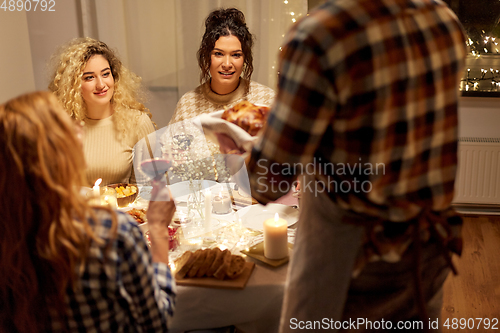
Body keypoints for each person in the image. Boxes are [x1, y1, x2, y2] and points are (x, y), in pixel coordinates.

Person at [218, 0, 467, 331]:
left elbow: (267, 182)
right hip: (427, 251)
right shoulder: (443, 20)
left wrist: (238, 149)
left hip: (350, 263)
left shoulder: (320, 36)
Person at [0, 91, 176, 332]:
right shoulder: (110, 232)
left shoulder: (9, 237)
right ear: (59, 153)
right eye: (67, 126)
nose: (79, 129)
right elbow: (156, 321)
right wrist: (157, 231)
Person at [49, 37, 156, 186]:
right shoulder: (60, 126)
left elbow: (148, 190)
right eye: (89, 77)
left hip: (125, 209)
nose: (101, 85)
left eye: (106, 74)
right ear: (73, 85)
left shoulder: (138, 123)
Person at [169, 7, 275, 129]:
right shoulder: (188, 104)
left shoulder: (266, 100)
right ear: (207, 56)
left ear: (245, 59)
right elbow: (170, 147)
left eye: (236, 55)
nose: (227, 64)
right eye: (219, 54)